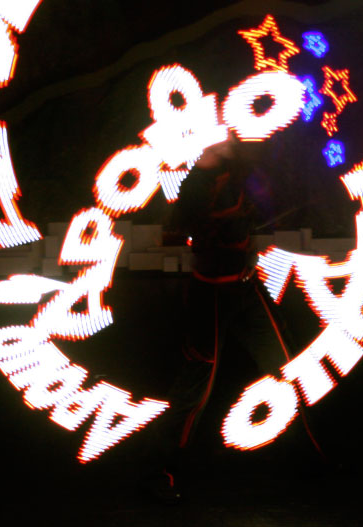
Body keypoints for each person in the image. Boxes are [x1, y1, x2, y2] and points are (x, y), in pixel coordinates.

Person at [142, 132, 291, 503]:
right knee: (196, 389)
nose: (224, 143)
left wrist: (251, 246)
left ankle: (309, 458)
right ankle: (161, 471)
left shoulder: (246, 171)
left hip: (244, 289)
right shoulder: (200, 182)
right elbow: (187, 224)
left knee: (286, 367)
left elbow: (257, 219)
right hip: (209, 295)